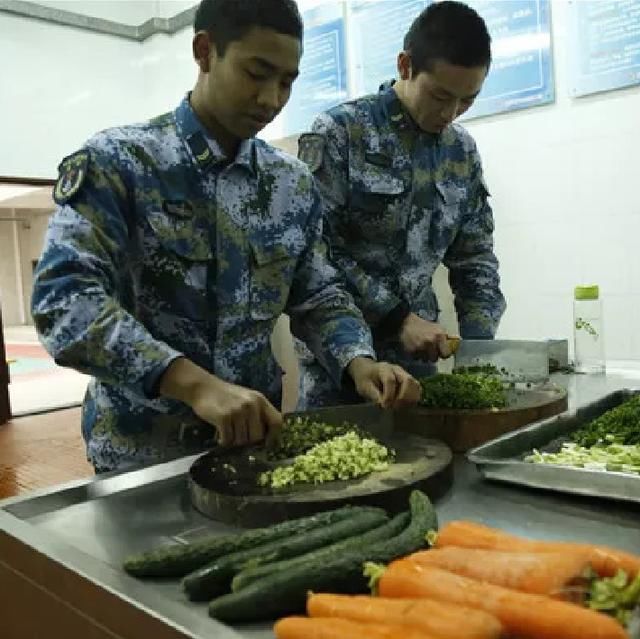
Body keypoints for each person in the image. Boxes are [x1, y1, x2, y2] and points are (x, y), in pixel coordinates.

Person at [31, 0, 421, 473]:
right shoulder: (123, 163)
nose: (271, 99)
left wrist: (360, 361)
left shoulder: (290, 184)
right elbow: (65, 301)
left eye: (287, 82)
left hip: (255, 447)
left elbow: (320, 294)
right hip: (143, 456)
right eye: (256, 73)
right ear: (204, 51)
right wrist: (195, 385)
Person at [296, 0, 506, 409]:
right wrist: (397, 318)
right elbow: (315, 253)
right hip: (341, 367)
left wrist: (478, 353)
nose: (450, 113)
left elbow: (475, 259)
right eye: (440, 95)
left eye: (467, 100)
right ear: (405, 65)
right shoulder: (342, 133)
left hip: (417, 368)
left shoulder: (461, 151)